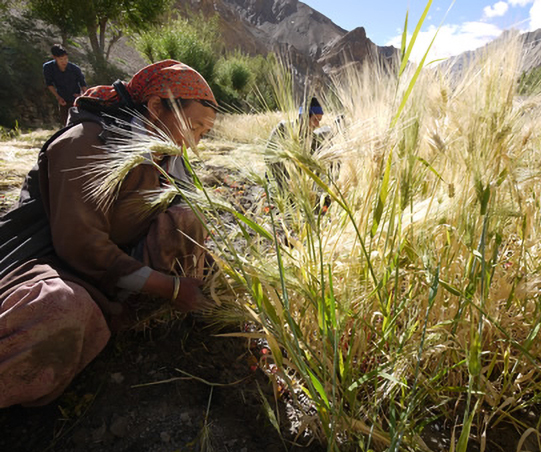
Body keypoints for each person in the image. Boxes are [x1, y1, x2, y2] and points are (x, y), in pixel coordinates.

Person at [0, 60, 217, 408]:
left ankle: (119, 319)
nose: (194, 145)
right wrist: (172, 288)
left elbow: (184, 226)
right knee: (62, 309)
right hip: (55, 267)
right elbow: (81, 246)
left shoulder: (164, 158)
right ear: (156, 106)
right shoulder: (85, 142)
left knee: (187, 219)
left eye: (204, 134)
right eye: (193, 127)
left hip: (112, 275)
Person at [265, 96, 325, 194]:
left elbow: (317, 169)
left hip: (302, 191)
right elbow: (268, 155)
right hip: (278, 185)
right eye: (315, 120)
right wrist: (287, 182)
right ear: (304, 117)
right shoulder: (283, 128)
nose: (318, 125)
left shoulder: (315, 140)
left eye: (320, 120)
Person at [43, 44, 88, 126]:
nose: (64, 61)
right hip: (62, 99)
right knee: (66, 124)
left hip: (76, 99)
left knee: (78, 124)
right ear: (54, 58)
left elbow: (83, 84)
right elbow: (49, 84)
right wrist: (58, 97)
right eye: (61, 59)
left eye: (66, 59)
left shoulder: (75, 69)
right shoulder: (48, 67)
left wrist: (82, 96)